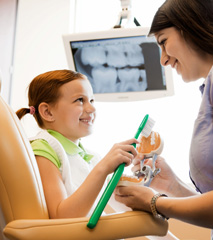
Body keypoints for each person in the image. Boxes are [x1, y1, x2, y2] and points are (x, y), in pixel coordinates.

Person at [114, 0, 213, 239]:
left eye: (164, 42)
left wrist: (156, 202)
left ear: (192, 25)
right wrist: (172, 187)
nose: (163, 60)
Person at [16, 69, 138, 218]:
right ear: (47, 112)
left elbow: (122, 201)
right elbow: (62, 217)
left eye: (91, 100)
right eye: (80, 100)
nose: (92, 108)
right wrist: (103, 168)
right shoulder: (44, 149)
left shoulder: (90, 157)